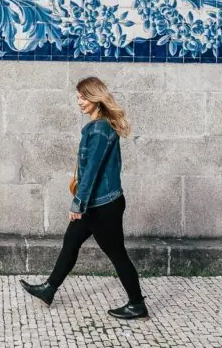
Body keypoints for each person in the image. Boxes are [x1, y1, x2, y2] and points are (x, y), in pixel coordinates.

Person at [19, 76, 148, 320]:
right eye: (77, 97)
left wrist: (78, 203)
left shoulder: (99, 129)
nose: (79, 102)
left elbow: (92, 171)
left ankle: (137, 304)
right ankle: (49, 289)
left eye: (82, 97)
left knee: (117, 255)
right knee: (71, 241)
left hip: (102, 205)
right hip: (99, 203)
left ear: (94, 98)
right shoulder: (100, 126)